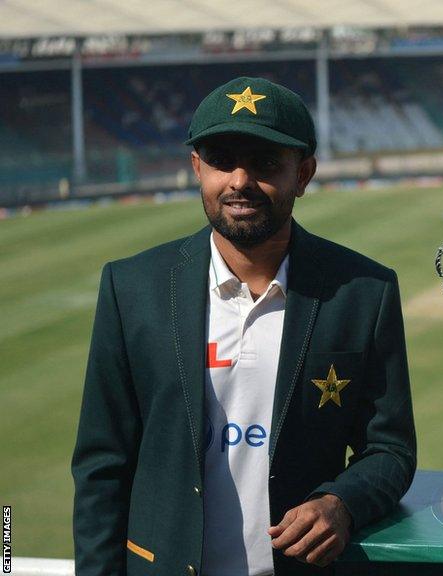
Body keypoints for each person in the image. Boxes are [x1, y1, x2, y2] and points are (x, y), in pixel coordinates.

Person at [72, 77, 416, 576]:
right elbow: (102, 467)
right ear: (197, 168)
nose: (239, 180)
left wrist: (341, 502)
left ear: (304, 174)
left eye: (265, 163)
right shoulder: (132, 287)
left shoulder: (364, 291)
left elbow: (391, 450)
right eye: (221, 160)